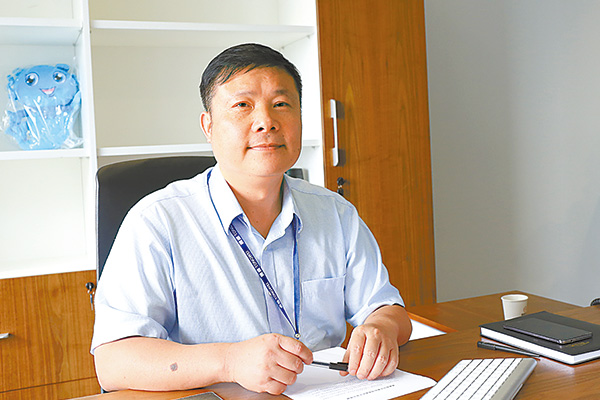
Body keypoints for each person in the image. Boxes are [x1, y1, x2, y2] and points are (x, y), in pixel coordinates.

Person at [91, 43, 412, 395]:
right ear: (208, 126)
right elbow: (114, 363)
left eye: (281, 104)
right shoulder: (157, 222)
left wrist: (382, 327)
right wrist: (230, 362)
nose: (266, 122)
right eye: (243, 106)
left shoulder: (335, 212)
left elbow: (387, 308)